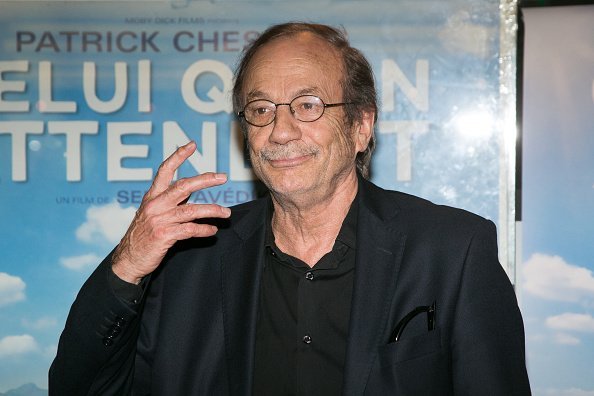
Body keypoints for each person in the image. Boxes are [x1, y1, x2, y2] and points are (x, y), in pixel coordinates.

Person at [49, 22, 531, 395]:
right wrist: (129, 263)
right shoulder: (188, 257)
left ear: (361, 127)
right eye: (261, 110)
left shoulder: (452, 250)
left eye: (307, 105)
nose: (280, 131)